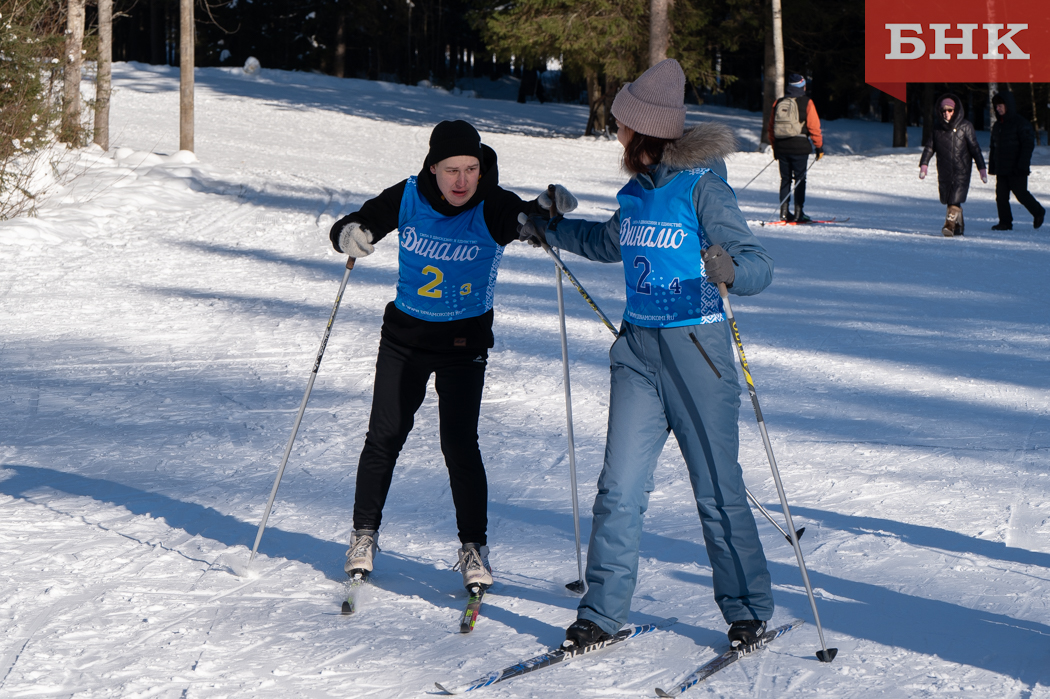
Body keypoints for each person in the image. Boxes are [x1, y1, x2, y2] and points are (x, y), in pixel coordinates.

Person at [519, 59, 776, 650]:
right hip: (637, 353)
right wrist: (548, 228)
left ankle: (746, 608)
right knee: (620, 488)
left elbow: (759, 265)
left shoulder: (703, 188)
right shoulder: (635, 194)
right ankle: (602, 613)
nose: (616, 134)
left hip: (697, 352)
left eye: (622, 125)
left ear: (646, 130)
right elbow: (605, 242)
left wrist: (732, 269)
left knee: (716, 488)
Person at [328, 120, 576, 591]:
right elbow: (358, 222)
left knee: (459, 444)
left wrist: (548, 208)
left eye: (471, 169)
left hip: (464, 344)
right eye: (451, 170)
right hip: (406, 339)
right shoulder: (408, 196)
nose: (462, 181)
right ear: (432, 167)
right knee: (384, 436)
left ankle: (473, 548)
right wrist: (349, 233)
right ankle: (364, 535)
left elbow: (527, 221)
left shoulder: (493, 203)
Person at [919, 94, 987, 237]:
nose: (947, 113)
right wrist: (924, 164)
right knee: (950, 198)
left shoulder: (966, 126)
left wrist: (981, 168)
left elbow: (974, 148)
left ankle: (949, 226)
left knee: (955, 198)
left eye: (950, 110)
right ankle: (959, 226)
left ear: (955, 110)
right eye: (944, 111)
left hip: (961, 170)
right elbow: (929, 148)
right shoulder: (937, 128)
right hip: (944, 170)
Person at [768, 73, 823, 223]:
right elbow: (814, 127)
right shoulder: (807, 102)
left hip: (781, 147)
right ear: (802, 86)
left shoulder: (779, 102)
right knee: (800, 179)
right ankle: (799, 213)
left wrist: (775, 147)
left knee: (785, 179)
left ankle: (784, 212)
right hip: (800, 147)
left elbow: (771, 128)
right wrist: (819, 147)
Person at [989, 91, 1045, 231]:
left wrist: (1022, 165)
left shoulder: (1021, 124)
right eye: (996, 106)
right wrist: (993, 166)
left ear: (1008, 105)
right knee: (1001, 197)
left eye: (1000, 105)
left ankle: (1038, 211)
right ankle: (1005, 222)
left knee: (1021, 194)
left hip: (1017, 168)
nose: (998, 108)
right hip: (1002, 168)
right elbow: (993, 147)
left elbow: (1027, 146)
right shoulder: (997, 126)